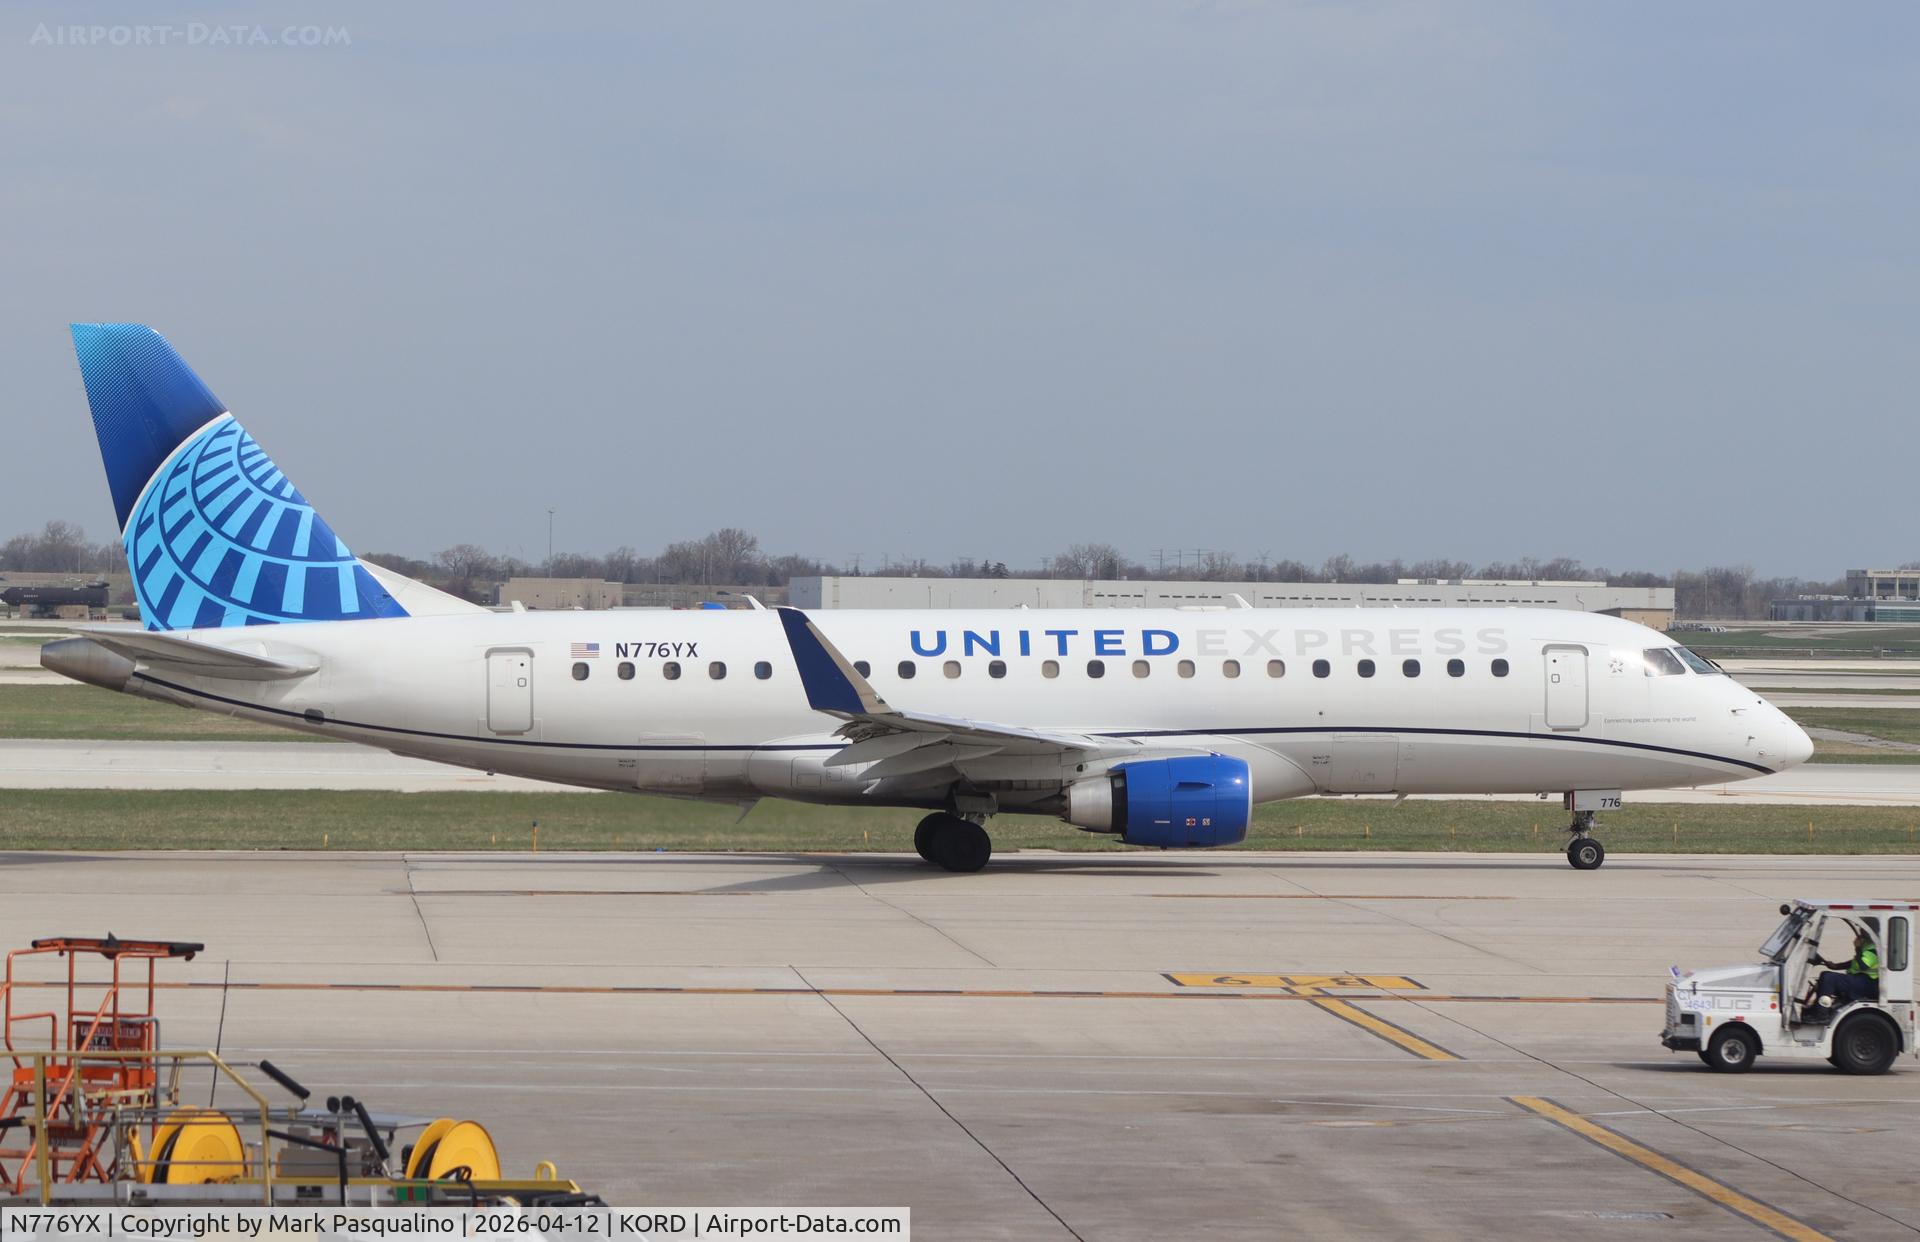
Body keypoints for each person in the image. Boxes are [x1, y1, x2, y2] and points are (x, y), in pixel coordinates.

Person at [1812, 927, 1880, 1017]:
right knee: (1824, 975)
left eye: (1863, 930)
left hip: (1867, 983)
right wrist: (1836, 966)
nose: (1860, 932)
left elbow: (1863, 966)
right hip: (1860, 979)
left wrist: (1857, 948)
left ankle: (1821, 1014)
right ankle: (1815, 1009)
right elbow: (1855, 962)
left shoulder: (1874, 948)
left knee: (1828, 978)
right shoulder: (1867, 944)